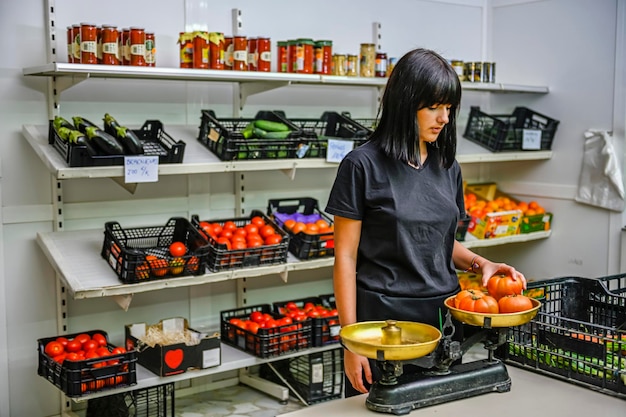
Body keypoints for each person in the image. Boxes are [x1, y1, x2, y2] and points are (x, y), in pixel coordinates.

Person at [324, 48, 527, 397]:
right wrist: (351, 341)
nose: (445, 118)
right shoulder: (362, 166)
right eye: (434, 106)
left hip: (444, 316)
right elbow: (345, 257)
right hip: (386, 323)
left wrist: (482, 264)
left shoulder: (447, 166)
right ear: (405, 103)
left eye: (449, 108)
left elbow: (439, 243)